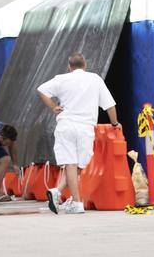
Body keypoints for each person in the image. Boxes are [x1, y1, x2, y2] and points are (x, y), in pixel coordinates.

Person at [37, 52, 120, 214]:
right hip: (85, 127)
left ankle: (58, 192)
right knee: (79, 165)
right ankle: (76, 202)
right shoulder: (95, 79)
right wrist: (115, 123)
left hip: (66, 125)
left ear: (69, 66)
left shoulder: (61, 79)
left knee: (71, 164)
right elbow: (110, 105)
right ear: (85, 65)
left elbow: (41, 90)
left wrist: (53, 107)